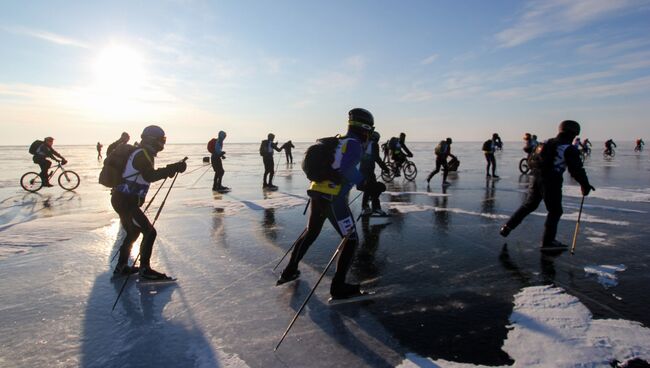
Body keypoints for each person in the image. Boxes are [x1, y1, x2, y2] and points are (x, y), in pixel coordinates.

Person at [278, 108, 374, 300]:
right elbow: (345, 168)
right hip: (333, 198)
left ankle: (289, 271)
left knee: (311, 232)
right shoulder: (354, 144)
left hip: (317, 192)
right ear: (364, 128)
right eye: (369, 129)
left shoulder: (338, 139)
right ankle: (338, 288)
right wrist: (365, 183)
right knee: (351, 239)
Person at [499, 120, 595, 250]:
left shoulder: (545, 142)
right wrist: (585, 184)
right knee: (555, 211)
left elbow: (530, 159)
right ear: (574, 133)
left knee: (529, 205)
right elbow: (576, 169)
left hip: (535, 177)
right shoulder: (568, 148)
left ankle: (507, 227)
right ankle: (548, 241)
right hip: (552, 180)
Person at [111, 125, 187, 279]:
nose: (163, 143)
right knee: (149, 232)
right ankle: (145, 269)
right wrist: (172, 168)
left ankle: (122, 266)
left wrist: (171, 169)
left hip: (122, 199)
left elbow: (147, 175)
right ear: (152, 140)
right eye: (161, 140)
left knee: (133, 231)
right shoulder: (141, 154)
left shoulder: (143, 153)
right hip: (125, 201)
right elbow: (149, 176)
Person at [360, 131, 390, 216]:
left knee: (368, 189)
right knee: (378, 188)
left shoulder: (364, 143)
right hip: (368, 171)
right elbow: (377, 158)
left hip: (361, 171)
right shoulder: (373, 144)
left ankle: (366, 207)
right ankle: (375, 208)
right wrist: (385, 168)